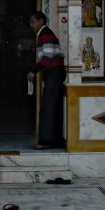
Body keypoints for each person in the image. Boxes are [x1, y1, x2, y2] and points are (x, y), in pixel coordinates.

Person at [26, 11, 66, 150]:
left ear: (41, 21)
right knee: (52, 106)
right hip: (55, 73)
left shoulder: (46, 34)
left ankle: (45, 141)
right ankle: (53, 140)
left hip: (54, 73)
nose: (31, 25)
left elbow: (48, 55)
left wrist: (34, 71)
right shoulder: (45, 33)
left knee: (48, 107)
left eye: (33, 21)